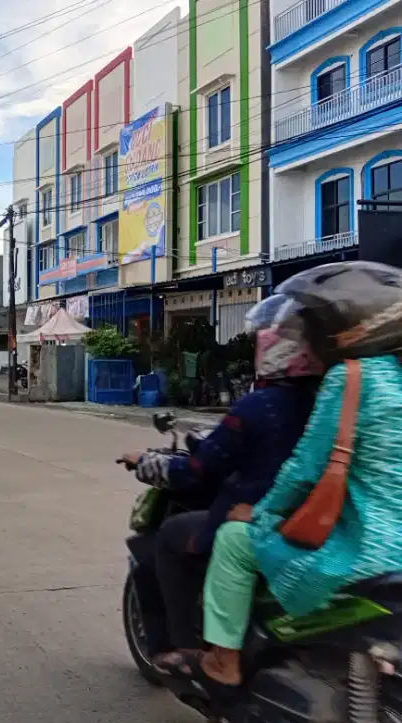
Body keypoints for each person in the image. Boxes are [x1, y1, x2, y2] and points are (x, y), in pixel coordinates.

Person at [159, 261, 402, 691]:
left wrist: (259, 513)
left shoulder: (351, 379)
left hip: (367, 544)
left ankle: (222, 661)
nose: (307, 341)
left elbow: (305, 470)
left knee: (233, 541)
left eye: (314, 328)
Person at [120, 294, 322, 668]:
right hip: (323, 519)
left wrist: (146, 463)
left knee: (167, 539)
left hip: (264, 516)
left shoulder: (259, 406)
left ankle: (186, 649)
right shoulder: (329, 402)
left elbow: (198, 470)